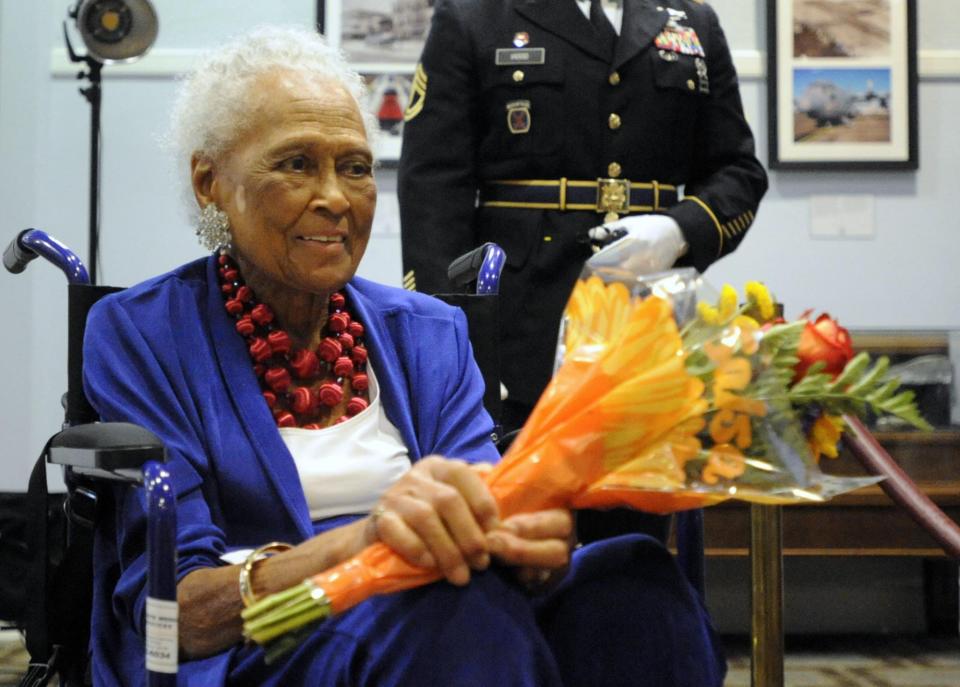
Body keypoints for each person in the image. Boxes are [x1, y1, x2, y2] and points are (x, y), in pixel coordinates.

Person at [83, 26, 724, 686]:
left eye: (355, 167)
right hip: (268, 646)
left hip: (455, 617)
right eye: (297, 163)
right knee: (454, 612)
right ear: (209, 181)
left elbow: (490, 514)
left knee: (636, 584)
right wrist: (362, 545)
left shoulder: (428, 331)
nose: (335, 195)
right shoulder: (142, 333)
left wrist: (526, 540)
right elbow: (180, 610)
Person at [398, 0, 768, 433]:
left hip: (653, 327)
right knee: (521, 497)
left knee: (650, 496)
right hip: (520, 334)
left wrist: (678, 229)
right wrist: (451, 345)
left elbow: (737, 170)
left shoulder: (691, 21)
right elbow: (433, 187)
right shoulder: (474, 16)